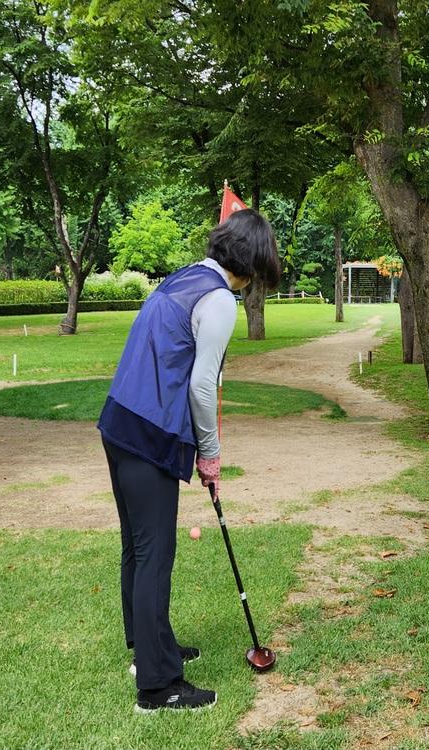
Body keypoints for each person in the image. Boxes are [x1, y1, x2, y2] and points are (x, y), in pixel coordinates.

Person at [97, 209, 280, 713]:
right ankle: (157, 687)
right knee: (155, 552)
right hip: (150, 433)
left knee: (137, 547)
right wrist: (211, 455)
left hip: (119, 422)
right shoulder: (220, 299)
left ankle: (149, 649)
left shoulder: (184, 277)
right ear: (251, 263)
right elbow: (202, 385)